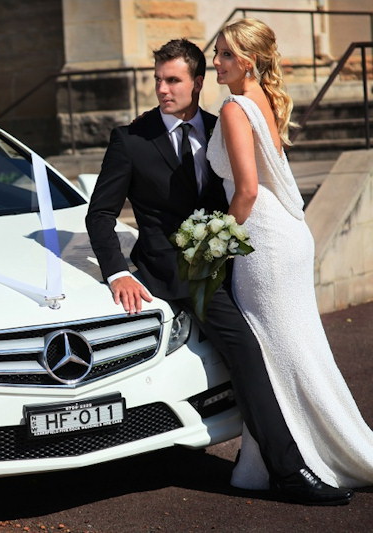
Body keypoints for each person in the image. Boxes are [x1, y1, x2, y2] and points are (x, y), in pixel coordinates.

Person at [85, 38, 353, 505]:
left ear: (197, 82)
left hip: (235, 262)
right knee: (248, 351)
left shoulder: (219, 125)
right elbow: (99, 216)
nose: (163, 90)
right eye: (158, 81)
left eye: (173, 80)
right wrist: (117, 273)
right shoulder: (130, 139)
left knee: (283, 345)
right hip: (177, 273)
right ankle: (288, 471)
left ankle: (325, 444)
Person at [206, 18, 373, 492]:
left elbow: (245, 191)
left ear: (248, 61)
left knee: (283, 355)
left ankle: (333, 454)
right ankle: (265, 464)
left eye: (223, 54)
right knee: (289, 352)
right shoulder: (263, 100)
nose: (215, 62)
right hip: (284, 237)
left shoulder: (236, 107)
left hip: (263, 243)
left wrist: (215, 244)